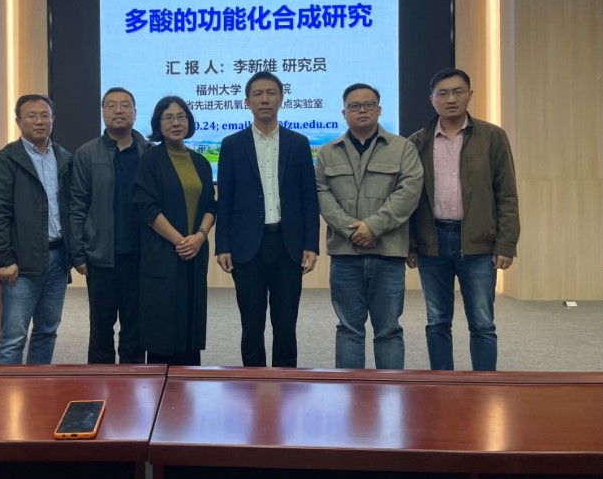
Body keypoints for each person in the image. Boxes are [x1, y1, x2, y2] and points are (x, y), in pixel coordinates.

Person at [407, 68, 520, 371]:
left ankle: (484, 386)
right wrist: (411, 244)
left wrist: (506, 243)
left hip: (478, 242)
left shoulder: (492, 137)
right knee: (437, 321)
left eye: (458, 92)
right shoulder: (417, 142)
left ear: (470, 95)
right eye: (443, 93)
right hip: (433, 241)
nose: (451, 99)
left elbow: (507, 194)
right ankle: (441, 384)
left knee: (482, 322)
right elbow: (409, 199)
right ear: (432, 99)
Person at [315, 83, 423, 369]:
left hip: (388, 253)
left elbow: (409, 192)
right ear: (344, 112)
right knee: (348, 329)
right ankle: (351, 392)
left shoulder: (403, 148)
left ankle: (390, 391)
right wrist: (352, 230)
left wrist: (373, 227)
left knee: (388, 330)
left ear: (379, 109)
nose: (361, 110)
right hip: (345, 254)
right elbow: (321, 194)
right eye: (354, 106)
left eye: (368, 104)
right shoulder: (327, 152)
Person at [216, 71, 319, 368]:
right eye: (258, 94)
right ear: (247, 101)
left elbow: (308, 198)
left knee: (286, 324)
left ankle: (286, 380)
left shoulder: (298, 143)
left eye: (271, 93)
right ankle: (252, 379)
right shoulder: (232, 144)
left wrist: (311, 244)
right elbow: (226, 200)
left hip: (288, 245)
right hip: (247, 246)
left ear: (281, 99)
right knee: (251, 323)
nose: (264, 99)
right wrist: (223, 245)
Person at [0, 95, 73, 364]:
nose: (39, 121)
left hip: (58, 257)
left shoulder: (64, 157)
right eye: (31, 116)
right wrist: (5, 259)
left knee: (47, 330)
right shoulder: (6, 159)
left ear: (53, 120)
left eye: (44, 115)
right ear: (18, 121)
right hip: (21, 261)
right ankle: (9, 389)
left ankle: (39, 383)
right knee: (14, 336)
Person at [69, 87, 151, 364]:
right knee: (100, 328)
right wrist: (78, 253)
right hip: (101, 256)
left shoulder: (148, 152)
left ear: (135, 112)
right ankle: (99, 381)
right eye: (111, 105)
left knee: (136, 328)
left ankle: (135, 382)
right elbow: (77, 204)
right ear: (103, 112)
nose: (119, 110)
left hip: (140, 256)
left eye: (125, 105)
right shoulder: (87, 153)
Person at [132, 96, 216, 365]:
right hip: (164, 252)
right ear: (158, 123)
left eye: (182, 117)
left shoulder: (200, 161)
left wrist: (200, 237)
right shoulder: (150, 160)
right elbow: (146, 207)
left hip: (195, 252)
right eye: (168, 118)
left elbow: (211, 205)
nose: (176, 123)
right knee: (163, 325)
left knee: (191, 321)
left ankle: (189, 380)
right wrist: (181, 241)